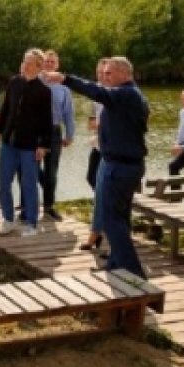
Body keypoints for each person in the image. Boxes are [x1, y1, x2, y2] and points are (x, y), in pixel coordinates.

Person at [45, 56, 149, 278]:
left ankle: (133, 274)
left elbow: (97, 92)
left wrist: (65, 79)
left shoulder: (127, 94)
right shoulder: (128, 95)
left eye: (109, 73)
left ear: (124, 74)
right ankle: (115, 264)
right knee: (118, 218)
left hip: (121, 167)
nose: (105, 77)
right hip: (122, 164)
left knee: (112, 220)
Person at [0, 49, 54, 236]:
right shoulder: (14, 83)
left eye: (29, 62)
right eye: (24, 61)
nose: (25, 65)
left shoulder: (44, 91)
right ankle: (8, 220)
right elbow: (5, 109)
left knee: (29, 184)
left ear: (38, 66)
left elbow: (46, 121)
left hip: (29, 146)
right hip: (8, 143)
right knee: (4, 183)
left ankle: (31, 223)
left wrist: (43, 146)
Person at [38, 50, 75, 222]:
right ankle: (26, 204)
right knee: (30, 168)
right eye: (46, 61)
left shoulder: (64, 89)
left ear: (57, 65)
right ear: (41, 63)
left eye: (53, 62)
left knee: (52, 172)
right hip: (35, 132)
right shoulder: (34, 82)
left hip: (54, 131)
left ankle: (48, 206)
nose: (49, 64)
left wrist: (70, 134)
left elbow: (68, 113)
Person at [80, 58, 109, 251]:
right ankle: (100, 227)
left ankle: (98, 233)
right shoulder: (96, 95)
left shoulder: (117, 93)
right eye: (98, 73)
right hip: (98, 145)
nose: (101, 77)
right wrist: (99, 125)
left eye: (105, 73)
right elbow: (91, 124)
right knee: (91, 178)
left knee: (103, 190)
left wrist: (102, 124)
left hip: (112, 150)